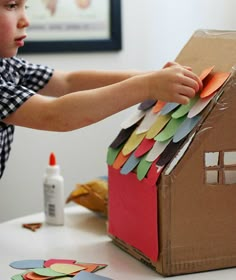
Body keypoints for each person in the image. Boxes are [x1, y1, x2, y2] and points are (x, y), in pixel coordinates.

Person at [0, 0, 202, 179]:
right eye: (11, 6)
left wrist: (153, 77)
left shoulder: (8, 64)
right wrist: (148, 85)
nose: (25, 20)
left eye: (24, 6)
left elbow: (67, 81)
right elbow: (53, 114)